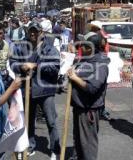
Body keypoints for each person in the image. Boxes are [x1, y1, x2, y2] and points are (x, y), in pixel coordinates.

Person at [10, 22, 61, 159]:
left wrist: (37, 66)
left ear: (41, 32)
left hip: (45, 90)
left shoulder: (49, 48)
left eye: (36, 31)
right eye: (31, 31)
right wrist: (22, 67)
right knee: (28, 120)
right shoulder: (21, 46)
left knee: (51, 121)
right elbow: (13, 62)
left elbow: (55, 66)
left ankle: (55, 149)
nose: (33, 33)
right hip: (27, 89)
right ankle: (30, 146)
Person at [67, 32, 110, 160]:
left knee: (88, 145)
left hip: (88, 110)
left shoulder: (100, 65)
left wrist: (75, 78)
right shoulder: (85, 60)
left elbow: (92, 88)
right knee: (79, 142)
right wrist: (72, 73)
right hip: (79, 107)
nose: (80, 47)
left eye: (83, 45)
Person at [87, 20, 111, 120]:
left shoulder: (100, 38)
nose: (91, 29)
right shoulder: (93, 37)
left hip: (98, 62)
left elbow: (105, 50)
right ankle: (98, 109)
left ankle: (101, 109)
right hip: (93, 63)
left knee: (101, 88)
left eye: (93, 27)